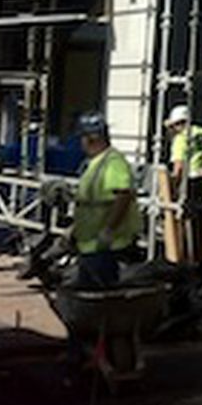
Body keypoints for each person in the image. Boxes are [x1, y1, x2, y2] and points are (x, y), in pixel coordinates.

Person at [70, 111, 139, 289]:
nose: (81, 143)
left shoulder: (113, 162)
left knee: (102, 293)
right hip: (91, 244)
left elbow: (123, 196)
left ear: (92, 138)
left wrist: (108, 230)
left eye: (83, 137)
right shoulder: (96, 162)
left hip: (107, 245)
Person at [165, 104, 202, 263]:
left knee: (189, 223)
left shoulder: (182, 139)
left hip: (193, 182)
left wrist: (172, 186)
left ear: (177, 124)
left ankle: (190, 260)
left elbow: (179, 167)